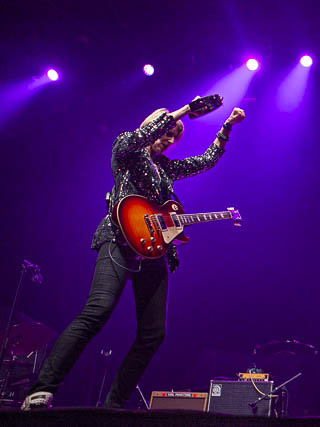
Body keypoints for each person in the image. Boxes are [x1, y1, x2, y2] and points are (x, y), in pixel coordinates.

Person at [21, 99, 246, 410]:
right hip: (118, 239)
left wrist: (226, 128)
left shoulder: (166, 167)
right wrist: (182, 112)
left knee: (154, 334)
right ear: (153, 124)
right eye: (166, 132)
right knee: (96, 313)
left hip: (153, 252)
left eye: (174, 137)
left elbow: (205, 161)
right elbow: (140, 137)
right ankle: (41, 389)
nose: (169, 140)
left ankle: (114, 404)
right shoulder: (126, 149)